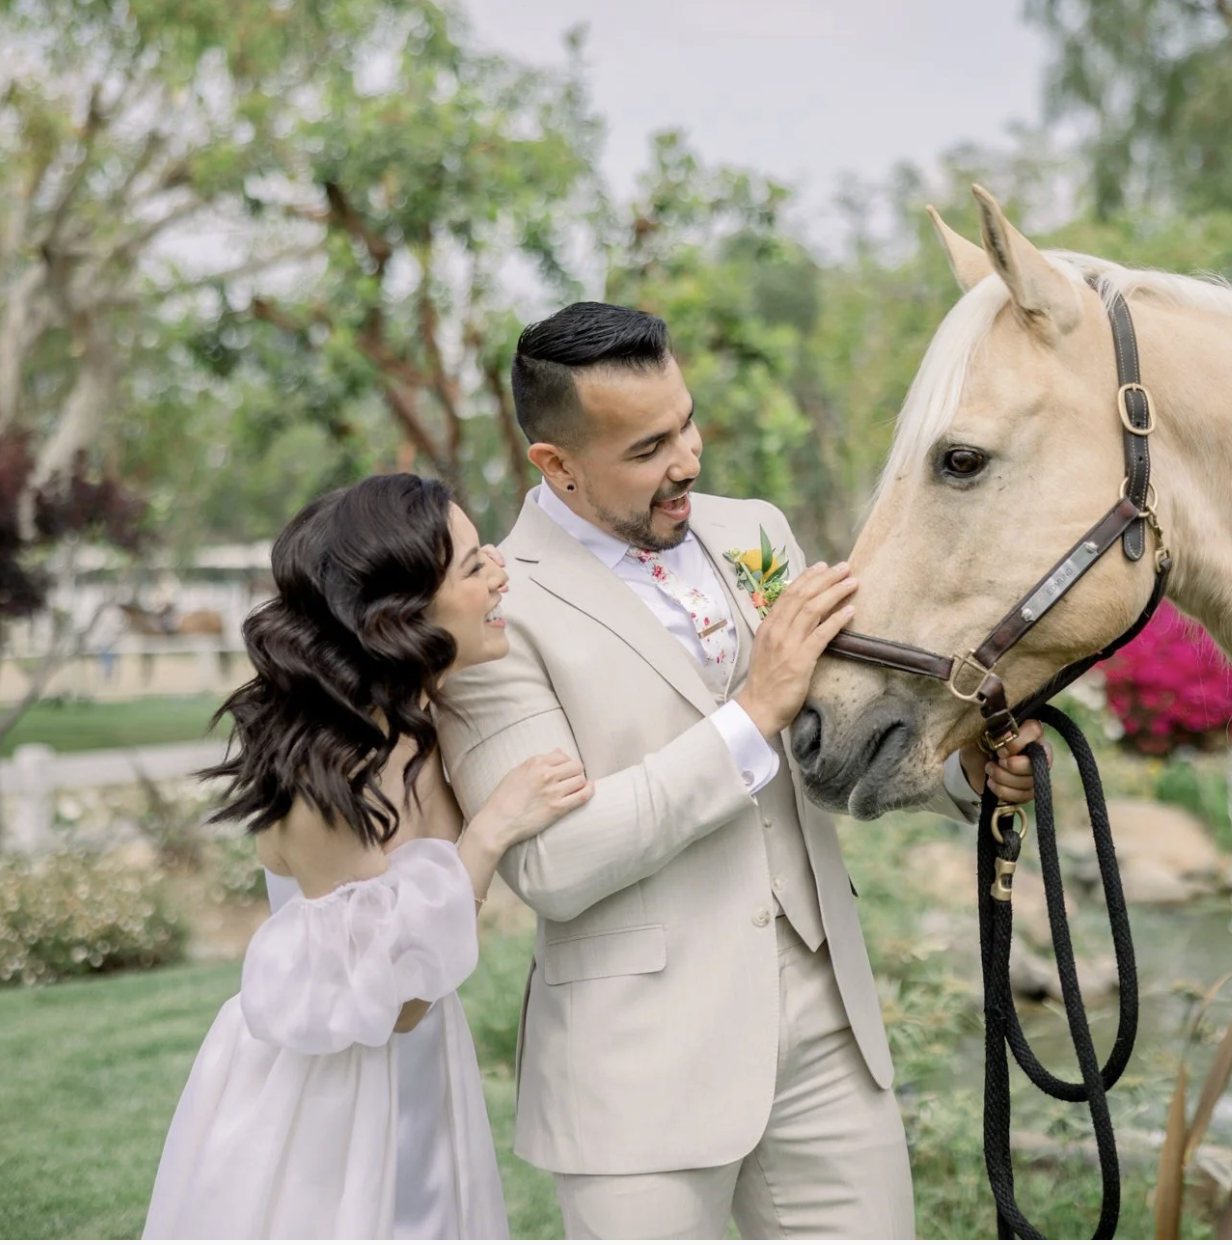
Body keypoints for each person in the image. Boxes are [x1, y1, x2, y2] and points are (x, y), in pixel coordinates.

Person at [436, 302, 1046, 1239]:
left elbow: (817, 755)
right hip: (640, 1069)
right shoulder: (497, 609)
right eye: (645, 449)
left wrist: (966, 779)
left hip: (825, 1027)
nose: (686, 461)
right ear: (555, 465)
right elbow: (552, 868)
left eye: (685, 423)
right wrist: (751, 710)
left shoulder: (751, 530)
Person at [143, 473, 594, 1239]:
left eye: (488, 551)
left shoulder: (423, 714)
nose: (499, 574)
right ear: (401, 614)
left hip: (418, 1071)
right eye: (472, 566)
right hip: (330, 1096)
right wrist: (490, 830)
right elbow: (396, 1003)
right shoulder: (329, 777)